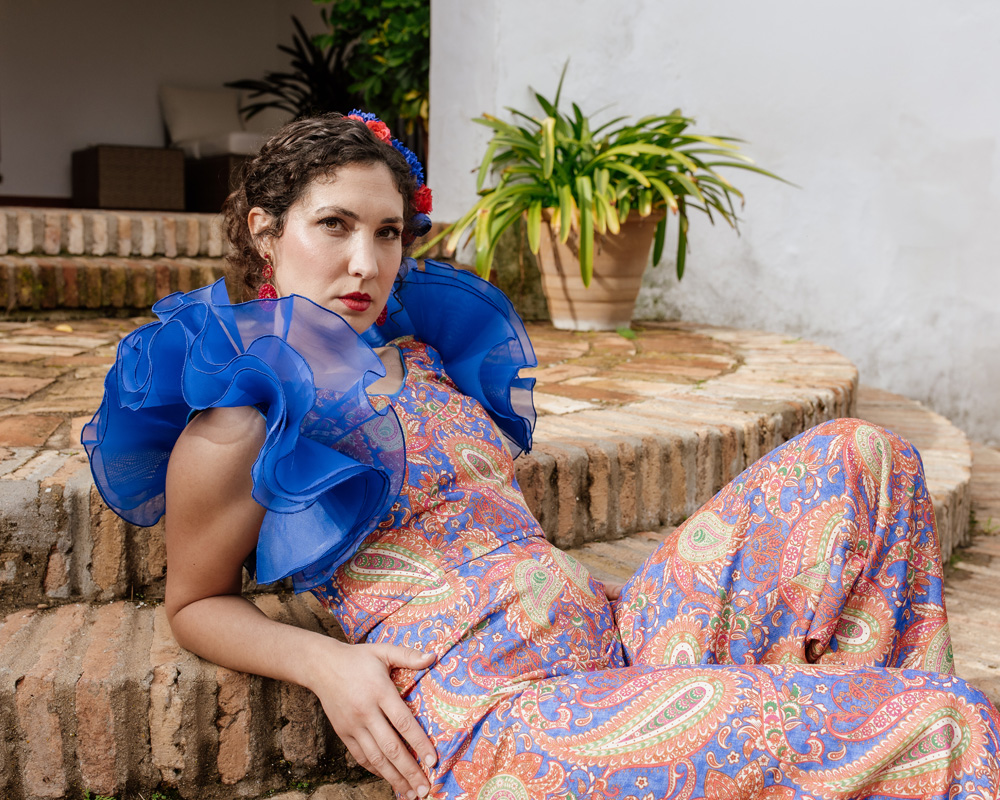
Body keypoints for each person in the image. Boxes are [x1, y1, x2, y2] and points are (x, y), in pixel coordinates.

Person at [83, 112, 1000, 800]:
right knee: (944, 725)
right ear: (264, 231)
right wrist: (327, 665)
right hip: (507, 718)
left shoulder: (424, 356)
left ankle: (832, 732)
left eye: (388, 231)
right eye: (334, 226)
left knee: (862, 455)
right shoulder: (243, 416)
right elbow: (194, 604)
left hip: (620, 642)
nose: (366, 260)